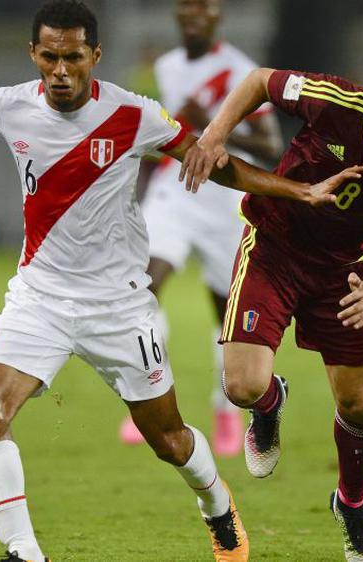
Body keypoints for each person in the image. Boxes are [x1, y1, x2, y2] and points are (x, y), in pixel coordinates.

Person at [0, 2, 363, 560]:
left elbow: (217, 163)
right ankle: (24, 553)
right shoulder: (7, 105)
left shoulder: (134, 114)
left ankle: (216, 504)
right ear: (33, 54)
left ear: (94, 57)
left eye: (73, 57)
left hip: (119, 309)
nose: (60, 70)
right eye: (49, 56)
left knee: (169, 440)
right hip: (39, 298)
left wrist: (298, 189)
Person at [180, 56, 363, 561]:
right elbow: (261, 81)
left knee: (357, 404)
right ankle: (269, 404)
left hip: (347, 275)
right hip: (275, 249)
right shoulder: (337, 99)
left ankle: (351, 506)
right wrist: (215, 134)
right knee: (242, 385)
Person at [118, 0, 283, 456]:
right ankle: (150, 403)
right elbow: (169, 134)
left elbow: (271, 144)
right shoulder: (167, 66)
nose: (192, 18)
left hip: (223, 203)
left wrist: (209, 128)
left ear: (217, 16)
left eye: (201, 10)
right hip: (174, 193)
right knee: (142, 288)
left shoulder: (240, 70)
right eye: (185, 10)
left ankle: (225, 410)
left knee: (225, 315)